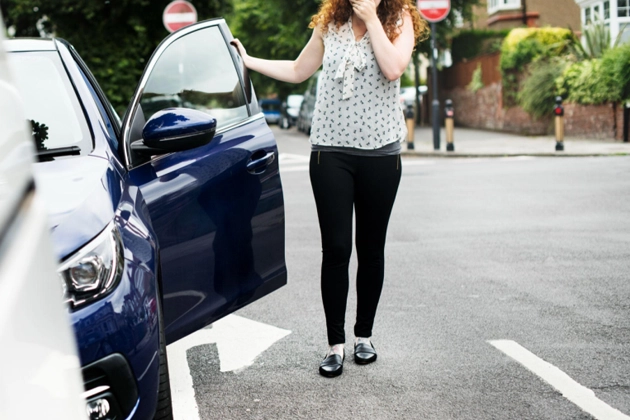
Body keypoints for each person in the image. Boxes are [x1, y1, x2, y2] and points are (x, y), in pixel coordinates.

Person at [231, 0, 428, 377]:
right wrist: (249, 61)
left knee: (371, 249)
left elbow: (393, 68)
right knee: (336, 248)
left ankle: (364, 336)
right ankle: (335, 344)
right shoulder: (330, 22)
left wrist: (371, 20)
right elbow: (297, 70)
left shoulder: (398, 19)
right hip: (330, 152)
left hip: (381, 154)